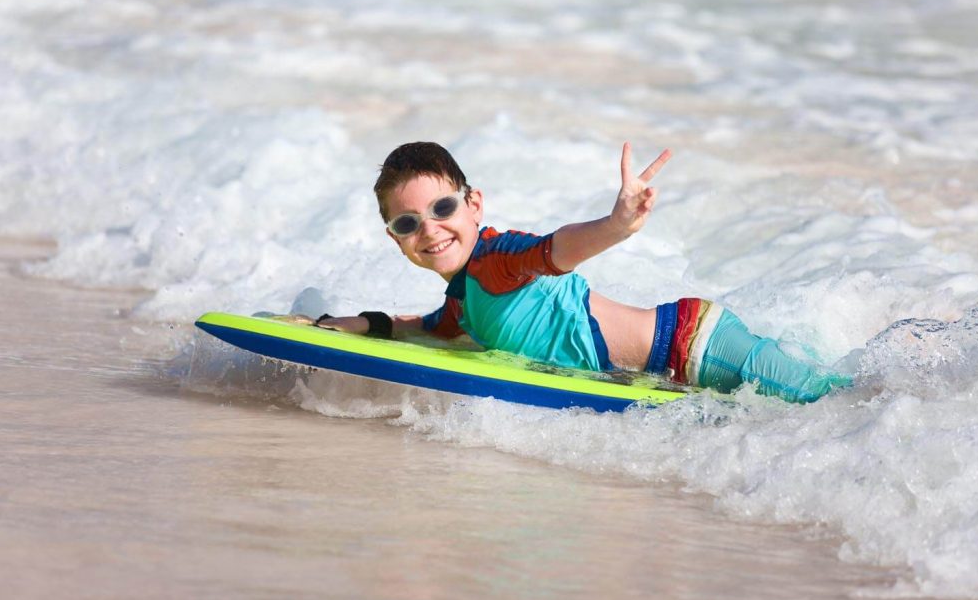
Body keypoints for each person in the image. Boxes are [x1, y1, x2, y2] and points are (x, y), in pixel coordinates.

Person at [280, 141, 864, 404]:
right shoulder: (463, 297)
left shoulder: (499, 258)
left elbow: (557, 250)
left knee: (838, 405)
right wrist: (334, 324)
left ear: (473, 204)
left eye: (442, 208)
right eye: (408, 223)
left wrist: (616, 225)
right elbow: (420, 327)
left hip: (696, 346)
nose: (429, 229)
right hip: (666, 371)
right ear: (396, 240)